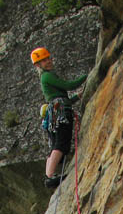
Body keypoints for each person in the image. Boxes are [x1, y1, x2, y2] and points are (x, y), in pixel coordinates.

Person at [30, 47, 88, 188]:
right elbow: (68, 85)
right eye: (43, 60)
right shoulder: (47, 76)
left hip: (56, 111)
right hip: (60, 112)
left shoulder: (46, 76)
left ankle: (48, 175)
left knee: (55, 144)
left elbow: (63, 97)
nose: (48, 61)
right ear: (38, 65)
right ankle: (49, 176)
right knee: (61, 144)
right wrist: (87, 76)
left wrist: (77, 97)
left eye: (48, 58)